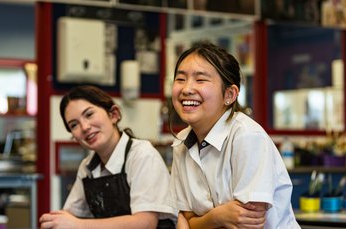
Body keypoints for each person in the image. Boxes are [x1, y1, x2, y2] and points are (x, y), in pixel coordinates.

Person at [168, 41, 300, 228]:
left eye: (200, 80)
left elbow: (248, 224)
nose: (187, 89)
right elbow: (185, 218)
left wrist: (199, 223)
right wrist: (218, 217)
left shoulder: (247, 137)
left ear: (229, 94)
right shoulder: (181, 143)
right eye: (180, 79)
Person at [40, 85, 176, 229]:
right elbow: (69, 216)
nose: (85, 127)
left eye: (89, 114)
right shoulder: (87, 168)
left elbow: (145, 223)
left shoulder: (142, 155)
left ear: (113, 115)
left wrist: (79, 225)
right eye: (74, 125)